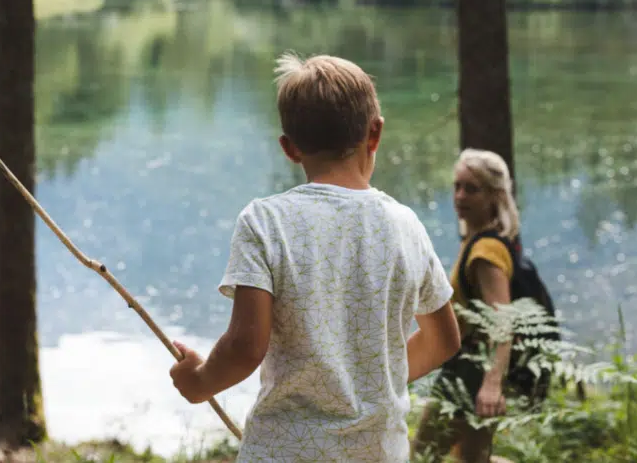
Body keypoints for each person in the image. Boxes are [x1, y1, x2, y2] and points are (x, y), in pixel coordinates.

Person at [168, 52, 461, 462]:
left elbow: (246, 347)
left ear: (289, 149)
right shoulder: (405, 225)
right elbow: (444, 339)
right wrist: (369, 384)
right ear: (375, 135)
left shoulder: (265, 222)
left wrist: (200, 382)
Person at [411, 148, 520, 463]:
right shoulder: (477, 241)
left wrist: (491, 384)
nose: (459, 196)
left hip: (470, 374)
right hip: (470, 370)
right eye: (457, 186)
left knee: (422, 455)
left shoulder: (485, 253)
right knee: (474, 459)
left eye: (471, 189)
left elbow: (503, 320)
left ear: (494, 196)